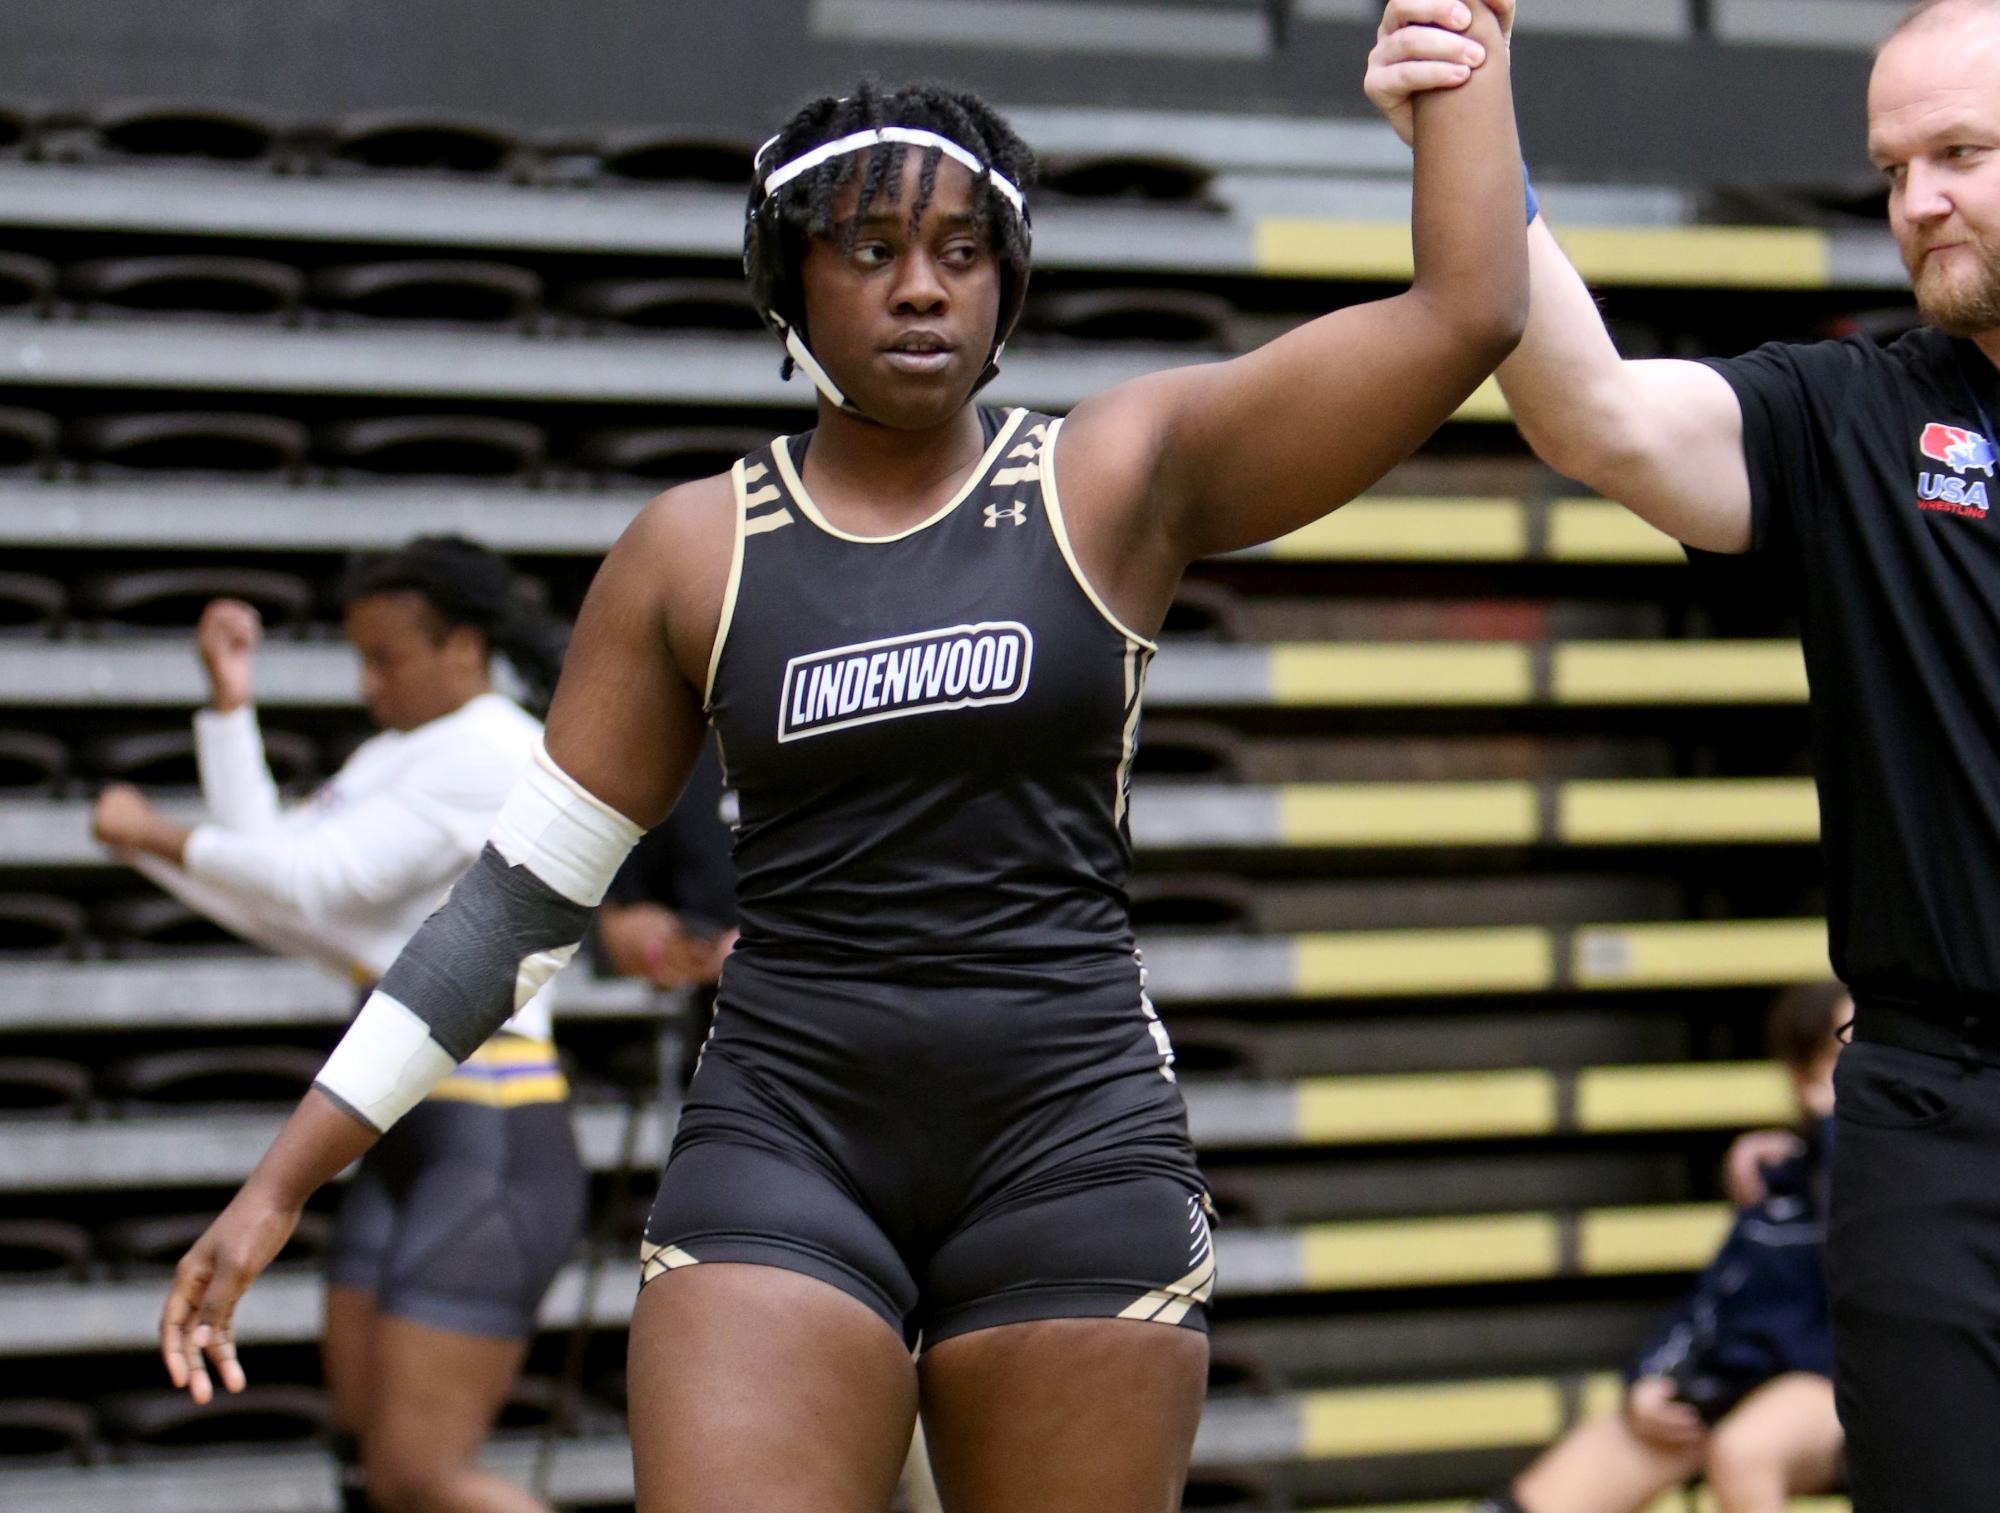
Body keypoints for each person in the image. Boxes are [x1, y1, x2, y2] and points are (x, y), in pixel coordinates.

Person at [155, 42, 1528, 1511]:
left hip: (1069, 1134)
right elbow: (513, 911)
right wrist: (284, 1177)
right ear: (787, 286)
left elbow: (1467, 313)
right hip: (788, 1135)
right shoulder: (692, 549)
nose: (921, 288)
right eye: (869, 250)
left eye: (959, 252)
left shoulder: (1118, 474)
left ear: (1007, 283)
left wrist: (1467, 61)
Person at [1366, 1, 2000, 1506]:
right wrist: (1468, 139)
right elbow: (1595, 414)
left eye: (1962, 154)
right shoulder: (1856, 415)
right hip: (1938, 1114)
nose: (1915, 203)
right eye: (1892, 167)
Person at [92, 537, 585, 1513]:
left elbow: (320, 881)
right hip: (400, 1136)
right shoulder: (396, 752)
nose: (366, 684)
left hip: (486, 1139)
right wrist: (230, 708)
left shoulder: (493, 747)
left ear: (461, 645)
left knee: (423, 1473)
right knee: (367, 1469)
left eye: (385, 658)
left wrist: (154, 833)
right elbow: (281, 876)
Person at [1470, 984, 1847, 1513]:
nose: (1859, 1066)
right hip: (1737, 1383)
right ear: (1801, 1072)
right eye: (1842, 1049)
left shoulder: (1902, 1171)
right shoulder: (1778, 1183)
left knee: (1743, 1453)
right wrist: (1648, 1383)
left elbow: (1859, 1244)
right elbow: (1711, 1300)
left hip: (1848, 1379)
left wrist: (1832, 1130)